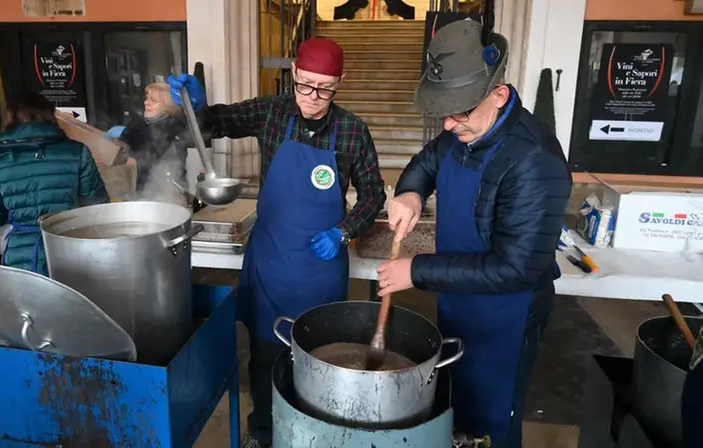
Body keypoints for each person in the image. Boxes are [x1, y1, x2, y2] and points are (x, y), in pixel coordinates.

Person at [168, 37, 386, 448]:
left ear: (340, 83)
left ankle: (313, 432)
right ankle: (263, 431)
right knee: (265, 353)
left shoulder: (353, 131)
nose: (313, 97)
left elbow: (373, 195)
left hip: (320, 269)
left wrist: (343, 231)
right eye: (305, 85)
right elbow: (218, 125)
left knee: (317, 355)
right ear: (294, 76)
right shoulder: (272, 112)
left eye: (325, 88)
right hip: (270, 261)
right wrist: (196, 106)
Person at [376, 20, 572, 448]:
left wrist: (418, 271)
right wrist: (410, 193)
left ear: (499, 95)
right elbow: (427, 161)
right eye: (443, 111)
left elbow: (515, 267)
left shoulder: (534, 161)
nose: (448, 125)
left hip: (506, 314)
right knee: (457, 404)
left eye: (460, 112)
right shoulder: (464, 131)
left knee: (491, 419)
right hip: (460, 302)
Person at [0, 92, 109, 276]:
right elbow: (98, 207)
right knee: (72, 302)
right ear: (50, 116)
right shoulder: (77, 152)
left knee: (27, 303)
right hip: (69, 249)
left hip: (21, 256)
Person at [119, 82, 203, 194]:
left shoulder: (174, 127)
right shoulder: (136, 124)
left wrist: (133, 160)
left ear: (167, 107)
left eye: (153, 101)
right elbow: (122, 150)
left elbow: (153, 152)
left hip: (167, 190)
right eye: (147, 98)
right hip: (137, 189)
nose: (146, 103)